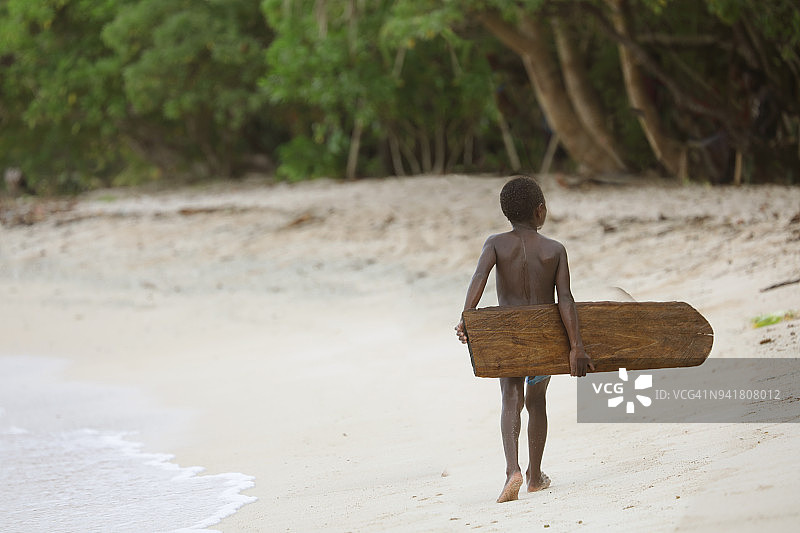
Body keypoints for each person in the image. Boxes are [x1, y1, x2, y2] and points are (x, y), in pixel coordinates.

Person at [455, 175, 595, 503]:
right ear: (540, 211)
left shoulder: (494, 244)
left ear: (507, 213)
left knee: (510, 399)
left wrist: (467, 317)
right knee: (537, 402)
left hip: (509, 335)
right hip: (544, 337)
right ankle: (534, 475)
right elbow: (566, 300)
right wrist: (576, 346)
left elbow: (479, 278)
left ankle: (511, 471)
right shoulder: (555, 250)